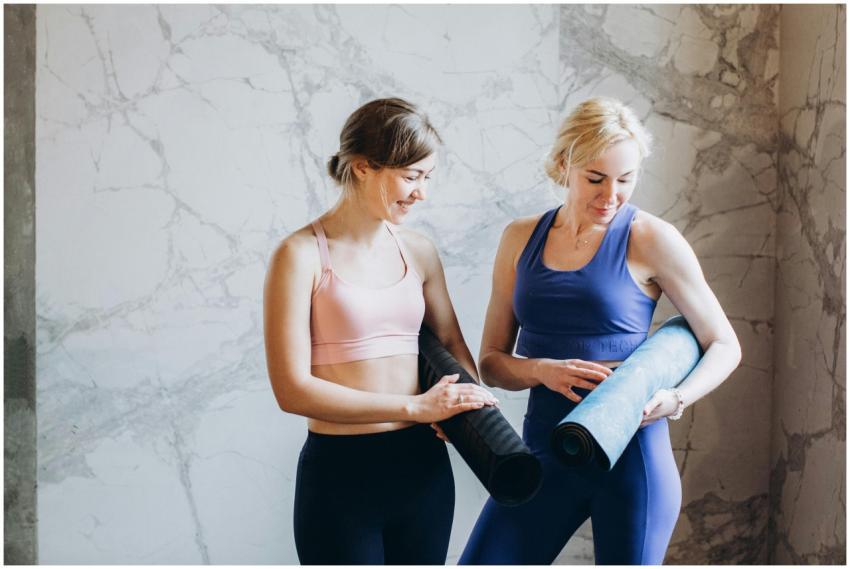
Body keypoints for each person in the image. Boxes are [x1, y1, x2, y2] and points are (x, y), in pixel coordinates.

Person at [458, 97, 742, 565]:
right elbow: (491, 362)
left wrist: (677, 399)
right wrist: (542, 372)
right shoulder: (519, 238)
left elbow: (724, 343)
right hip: (544, 448)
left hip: (633, 456)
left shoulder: (651, 237)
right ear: (564, 165)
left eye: (625, 180)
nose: (611, 195)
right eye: (596, 178)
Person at [263, 97, 497, 565]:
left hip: (423, 470)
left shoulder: (419, 251)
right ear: (362, 166)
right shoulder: (300, 255)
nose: (421, 193)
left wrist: (467, 410)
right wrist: (415, 406)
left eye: (428, 178)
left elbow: (450, 344)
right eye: (411, 177)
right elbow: (292, 390)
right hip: (341, 476)